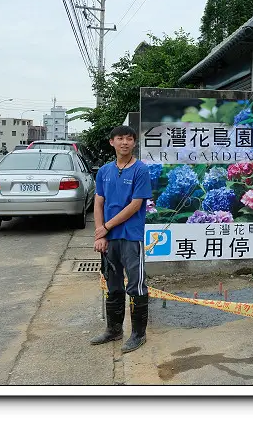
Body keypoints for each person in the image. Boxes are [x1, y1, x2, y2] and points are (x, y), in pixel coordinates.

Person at [90, 125, 153, 353]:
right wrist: (100, 232)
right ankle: (114, 330)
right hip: (109, 239)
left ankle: (138, 334)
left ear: (134, 143)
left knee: (136, 285)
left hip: (131, 237)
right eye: (120, 138)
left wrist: (105, 227)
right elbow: (99, 202)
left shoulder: (140, 170)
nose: (124, 142)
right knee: (112, 284)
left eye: (129, 139)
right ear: (112, 142)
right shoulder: (104, 171)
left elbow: (135, 205)